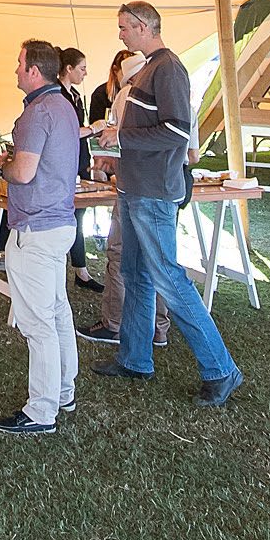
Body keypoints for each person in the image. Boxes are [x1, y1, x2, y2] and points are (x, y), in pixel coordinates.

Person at [93, 1, 242, 406]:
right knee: (137, 275)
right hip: (135, 187)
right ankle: (136, 358)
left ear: (144, 26)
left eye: (124, 27)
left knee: (169, 280)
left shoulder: (169, 69)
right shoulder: (148, 68)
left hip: (155, 192)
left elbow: (177, 132)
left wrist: (121, 139)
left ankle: (221, 369)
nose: (120, 34)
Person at [0, 38, 83, 436]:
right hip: (60, 223)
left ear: (33, 71)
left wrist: (0, 163)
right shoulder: (64, 106)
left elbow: (23, 173)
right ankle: (63, 390)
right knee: (58, 311)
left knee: (37, 323)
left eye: (19, 63)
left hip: (36, 228)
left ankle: (42, 410)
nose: (15, 70)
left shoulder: (37, 113)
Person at [82, 45, 165, 351]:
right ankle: (158, 327)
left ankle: (114, 323)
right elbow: (191, 151)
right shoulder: (172, 97)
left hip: (133, 185)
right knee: (156, 259)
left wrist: (104, 164)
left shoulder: (125, 97)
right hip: (164, 186)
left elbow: (110, 148)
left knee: (120, 255)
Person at [57, 47, 101, 292]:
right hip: (67, 159)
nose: (85, 73)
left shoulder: (74, 95)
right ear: (69, 69)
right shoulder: (58, 97)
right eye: (82, 69)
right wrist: (94, 128)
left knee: (79, 214)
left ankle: (80, 269)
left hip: (80, 157)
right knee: (70, 214)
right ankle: (76, 268)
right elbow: (68, 132)